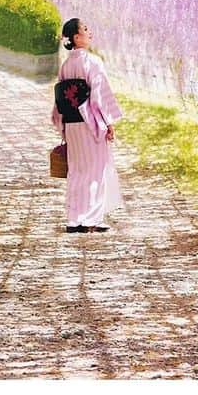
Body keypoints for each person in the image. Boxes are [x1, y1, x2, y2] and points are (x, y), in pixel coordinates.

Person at [51, 17, 123, 233]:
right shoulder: (92, 62)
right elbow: (98, 97)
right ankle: (91, 219)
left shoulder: (66, 65)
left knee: (77, 171)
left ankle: (74, 220)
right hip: (90, 124)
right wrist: (108, 122)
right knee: (96, 171)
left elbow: (60, 100)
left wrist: (62, 125)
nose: (89, 33)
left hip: (72, 125)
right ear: (75, 37)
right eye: (85, 30)